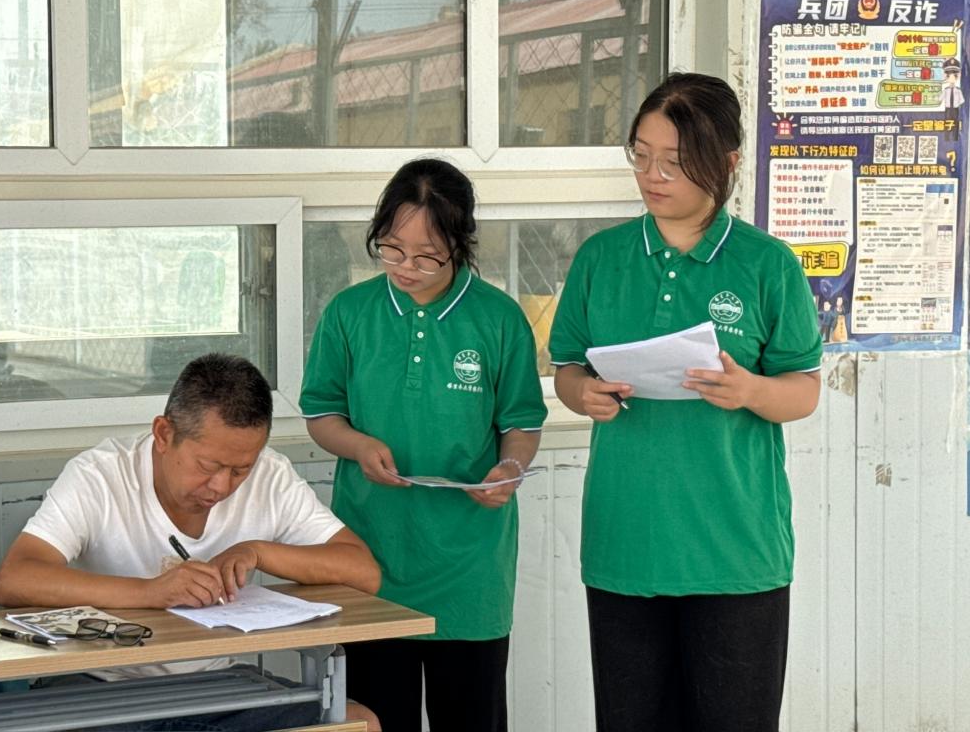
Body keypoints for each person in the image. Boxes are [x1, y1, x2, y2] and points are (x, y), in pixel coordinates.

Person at [549, 72, 822, 731]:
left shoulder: (767, 264)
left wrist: (750, 390)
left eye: (673, 161)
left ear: (726, 163)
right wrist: (582, 393)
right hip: (626, 547)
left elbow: (804, 391)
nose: (652, 175)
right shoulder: (600, 258)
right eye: (641, 154)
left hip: (735, 553)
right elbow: (567, 368)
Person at [0, 353, 383, 732]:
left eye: (240, 470)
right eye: (208, 466)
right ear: (164, 434)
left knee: (359, 723)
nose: (222, 486)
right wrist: (149, 592)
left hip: (218, 685)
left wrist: (257, 551)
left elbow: (363, 572)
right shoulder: (100, 475)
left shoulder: (271, 477)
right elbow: (16, 579)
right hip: (98, 683)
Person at [299, 157, 547, 732]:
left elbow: (521, 422)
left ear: (461, 244)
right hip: (371, 557)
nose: (406, 267)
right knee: (376, 719)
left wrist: (509, 466)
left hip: (470, 566)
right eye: (391, 249)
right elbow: (321, 414)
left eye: (427, 255)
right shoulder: (349, 313)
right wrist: (357, 446)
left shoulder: (499, 319)